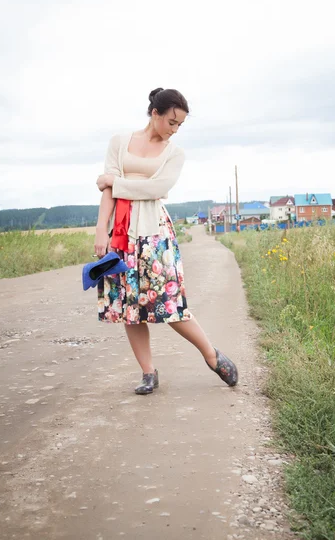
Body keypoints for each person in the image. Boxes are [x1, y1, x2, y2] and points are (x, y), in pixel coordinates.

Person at [94, 88, 238, 395]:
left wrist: (115, 182)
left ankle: (212, 356)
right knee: (129, 309)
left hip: (155, 235)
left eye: (180, 125)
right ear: (155, 113)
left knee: (168, 304)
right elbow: (108, 194)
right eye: (171, 122)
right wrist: (99, 232)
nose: (174, 130)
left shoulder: (175, 153)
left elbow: (157, 188)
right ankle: (148, 373)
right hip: (120, 236)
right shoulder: (119, 142)